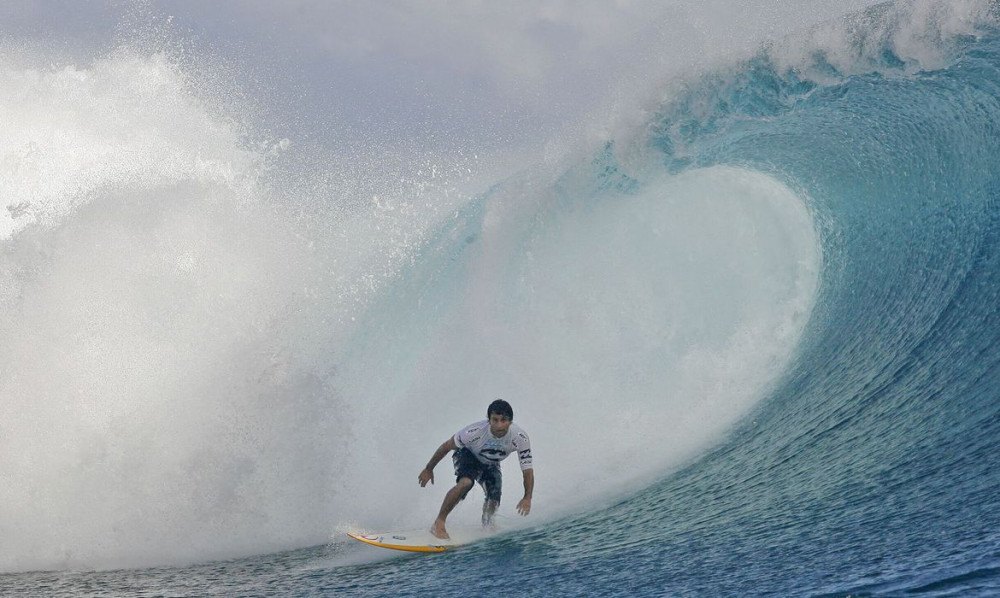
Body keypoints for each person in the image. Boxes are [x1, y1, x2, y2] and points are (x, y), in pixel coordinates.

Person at [417, 399, 534, 540]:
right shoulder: (474, 432)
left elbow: (527, 470)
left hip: (491, 464)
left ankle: (487, 526)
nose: (499, 425)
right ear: (488, 420)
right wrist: (429, 469)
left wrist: (527, 497)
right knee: (466, 483)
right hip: (467, 455)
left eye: (503, 420)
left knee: (494, 498)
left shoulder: (520, 438)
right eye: (495, 420)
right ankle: (439, 523)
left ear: (511, 421)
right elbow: (446, 446)